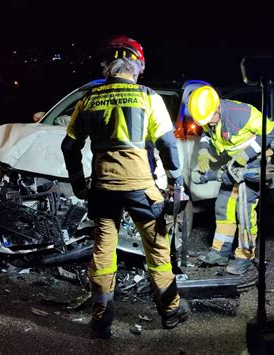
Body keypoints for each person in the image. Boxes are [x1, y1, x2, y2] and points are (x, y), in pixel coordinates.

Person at [61, 35, 190, 338]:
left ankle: (101, 319)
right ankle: (170, 311)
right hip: (140, 187)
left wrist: (79, 183)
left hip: (103, 187)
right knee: (157, 249)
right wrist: (175, 182)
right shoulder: (147, 97)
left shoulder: (88, 99)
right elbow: (168, 145)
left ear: (107, 66)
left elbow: (70, 147)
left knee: (103, 251)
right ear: (137, 66)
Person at [189, 85, 274, 275]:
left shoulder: (241, 113)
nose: (209, 123)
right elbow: (207, 134)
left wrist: (246, 155)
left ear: (218, 108)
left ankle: (245, 257)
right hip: (235, 163)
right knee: (223, 206)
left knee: (244, 211)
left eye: (210, 119)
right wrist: (204, 150)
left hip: (256, 161)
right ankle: (220, 252)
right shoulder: (208, 114)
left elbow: (271, 132)